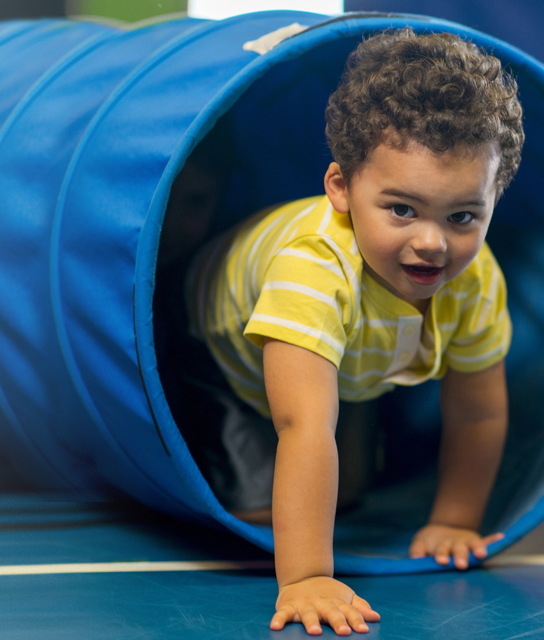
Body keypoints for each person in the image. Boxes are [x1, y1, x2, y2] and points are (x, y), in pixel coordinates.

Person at [159, 28, 523, 637]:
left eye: (462, 216)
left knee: (347, 491)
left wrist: (456, 519)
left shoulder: (477, 277)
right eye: (401, 209)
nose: (432, 242)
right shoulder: (313, 268)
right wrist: (305, 577)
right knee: (257, 515)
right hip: (218, 352)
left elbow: (478, 413)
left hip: (351, 363)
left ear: (491, 204)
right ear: (341, 189)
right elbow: (301, 426)